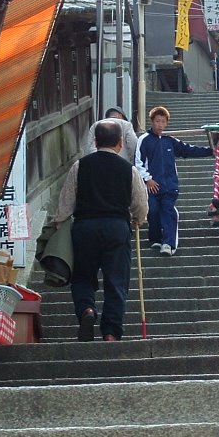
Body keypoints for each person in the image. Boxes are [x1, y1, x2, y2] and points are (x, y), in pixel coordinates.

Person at [54, 120, 148, 342]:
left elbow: (66, 202)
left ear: (95, 141)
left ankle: (86, 309)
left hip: (85, 227)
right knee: (116, 282)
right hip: (116, 228)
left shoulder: (80, 166)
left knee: (83, 277)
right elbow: (141, 204)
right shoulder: (129, 170)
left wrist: (59, 222)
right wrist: (138, 219)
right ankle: (111, 332)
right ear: (119, 143)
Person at [136, 105, 213, 256]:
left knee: (168, 211)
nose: (160, 125)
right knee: (153, 211)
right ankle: (155, 239)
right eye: (157, 121)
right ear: (151, 122)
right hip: (152, 187)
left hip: (170, 186)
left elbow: (188, 150)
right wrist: (148, 179)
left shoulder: (170, 140)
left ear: (166, 123)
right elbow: (138, 162)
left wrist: (211, 151)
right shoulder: (144, 140)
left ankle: (169, 244)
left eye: (163, 122)